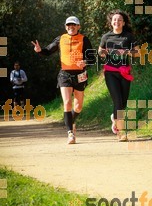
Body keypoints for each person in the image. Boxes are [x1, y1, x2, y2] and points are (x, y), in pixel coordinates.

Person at [31, 16, 94, 144]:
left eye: (74, 25)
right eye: (68, 25)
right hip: (64, 75)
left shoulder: (84, 39)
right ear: (66, 27)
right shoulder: (61, 39)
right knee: (67, 102)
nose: (71, 27)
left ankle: (71, 121)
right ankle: (70, 133)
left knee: (78, 106)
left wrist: (85, 62)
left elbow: (92, 58)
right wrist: (39, 50)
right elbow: (48, 51)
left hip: (80, 75)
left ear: (78, 27)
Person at [98, 10, 137, 141]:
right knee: (118, 101)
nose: (117, 22)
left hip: (125, 72)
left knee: (123, 103)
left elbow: (138, 53)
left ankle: (114, 118)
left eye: (120, 20)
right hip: (110, 72)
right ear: (111, 22)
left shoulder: (128, 36)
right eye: (114, 20)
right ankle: (121, 132)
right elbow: (100, 51)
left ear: (124, 22)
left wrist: (125, 52)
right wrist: (103, 52)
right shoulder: (106, 37)